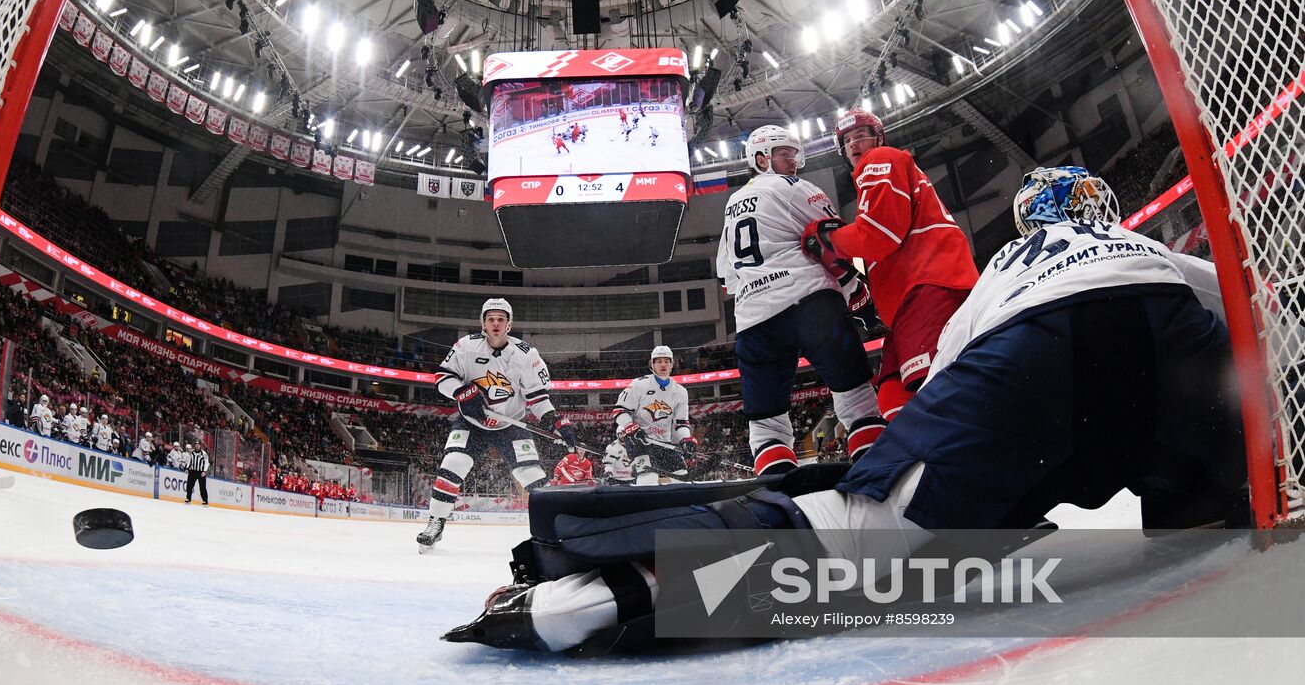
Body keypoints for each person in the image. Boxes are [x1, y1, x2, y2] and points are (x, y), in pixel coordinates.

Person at [445, 165, 1248, 653]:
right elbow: (1243, 315)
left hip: (1024, 354)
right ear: (1100, 212)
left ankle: (584, 600)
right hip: (1172, 346)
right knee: (1205, 486)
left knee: (857, 532)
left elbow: (958, 374)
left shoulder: (1009, 263)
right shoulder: (1148, 250)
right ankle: (1205, 514)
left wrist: (921, 482)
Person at [801, 109, 979, 459]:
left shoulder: (880, 159)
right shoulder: (889, 166)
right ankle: (904, 462)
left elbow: (881, 233)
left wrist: (827, 239)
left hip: (928, 285)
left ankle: (961, 471)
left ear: (879, 138)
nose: (854, 144)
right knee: (892, 389)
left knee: (933, 389)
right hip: (915, 297)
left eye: (862, 135)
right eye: (847, 140)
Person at [715, 125, 879, 475]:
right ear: (761, 159)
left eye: (793, 153)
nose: (793, 160)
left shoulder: (731, 204)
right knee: (856, 396)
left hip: (754, 318)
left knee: (766, 423)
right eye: (783, 153)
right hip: (810, 302)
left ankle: (779, 500)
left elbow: (725, 276)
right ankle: (879, 472)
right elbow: (831, 239)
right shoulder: (794, 187)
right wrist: (856, 291)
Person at [418, 298, 577, 551]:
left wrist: (555, 421)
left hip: (511, 423)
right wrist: (462, 392)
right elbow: (442, 377)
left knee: (532, 476)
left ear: (509, 324)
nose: (495, 324)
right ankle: (435, 523)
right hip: (471, 422)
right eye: (490, 319)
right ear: (483, 323)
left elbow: (537, 397)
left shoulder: (527, 355)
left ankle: (554, 528)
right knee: (453, 464)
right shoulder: (466, 346)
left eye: (500, 319)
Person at [612, 346, 696, 480]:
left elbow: (681, 423)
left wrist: (685, 439)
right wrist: (629, 426)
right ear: (652, 364)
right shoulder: (638, 384)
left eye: (667, 361)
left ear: (672, 364)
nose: (663, 364)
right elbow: (619, 411)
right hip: (639, 441)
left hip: (665, 443)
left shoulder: (680, 392)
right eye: (658, 361)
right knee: (648, 478)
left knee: (681, 479)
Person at [185, 440, 210, 505]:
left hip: (201, 472)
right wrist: (187, 468)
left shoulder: (204, 453)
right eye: (196, 444)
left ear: (200, 445)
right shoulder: (192, 452)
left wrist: (204, 471)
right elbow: (189, 461)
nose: (197, 446)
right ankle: (188, 498)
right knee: (189, 485)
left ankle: (205, 500)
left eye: (198, 444)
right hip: (192, 471)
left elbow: (206, 463)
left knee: (202, 487)